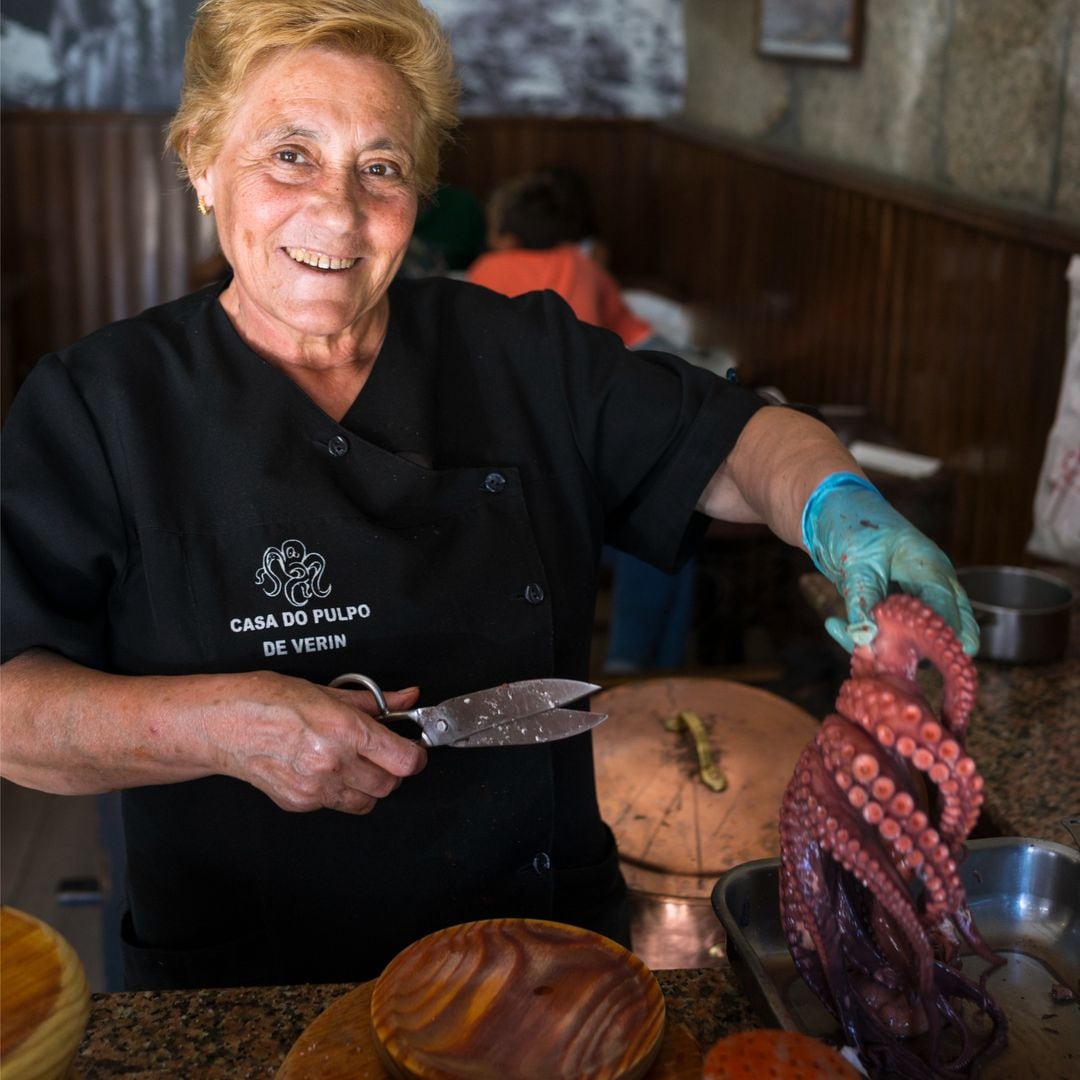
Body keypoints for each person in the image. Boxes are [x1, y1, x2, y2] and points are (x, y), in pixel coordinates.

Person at [0, 0, 978, 992]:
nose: (338, 210)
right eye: (289, 154)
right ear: (203, 163)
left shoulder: (519, 352)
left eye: (379, 167)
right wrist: (220, 726)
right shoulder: (99, 405)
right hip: (253, 978)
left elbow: (741, 438)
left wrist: (839, 509)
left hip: (536, 958)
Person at [468, 169, 697, 671]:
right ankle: (636, 664)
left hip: (505, 474)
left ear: (505, 235)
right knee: (666, 526)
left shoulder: (485, 271)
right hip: (583, 464)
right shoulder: (583, 267)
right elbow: (644, 347)